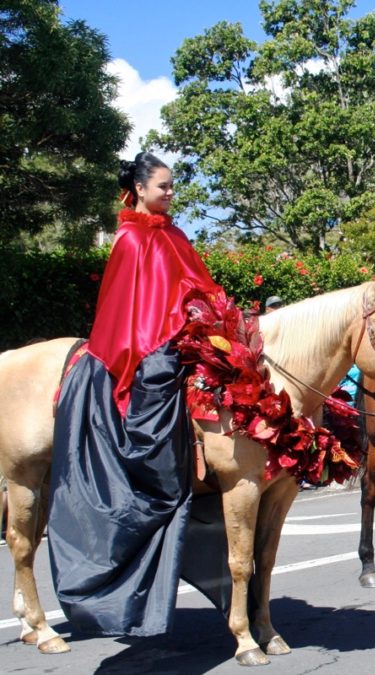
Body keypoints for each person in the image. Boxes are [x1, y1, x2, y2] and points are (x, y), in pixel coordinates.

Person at [47, 152, 222, 636]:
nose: (170, 193)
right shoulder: (129, 238)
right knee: (162, 383)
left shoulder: (173, 234)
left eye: (171, 186)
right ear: (140, 189)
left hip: (182, 339)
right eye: (162, 186)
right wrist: (169, 338)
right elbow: (129, 315)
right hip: (150, 349)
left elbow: (199, 288)